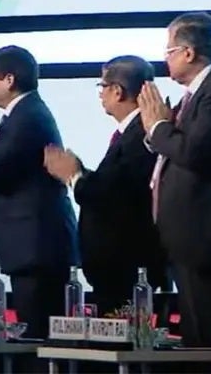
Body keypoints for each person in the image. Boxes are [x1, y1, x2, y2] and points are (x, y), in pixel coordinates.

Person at [137, 11, 211, 348]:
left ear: (188, 52)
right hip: (186, 236)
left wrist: (158, 127)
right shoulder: (197, 92)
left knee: (208, 337)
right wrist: (157, 130)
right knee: (193, 336)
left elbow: (193, 152)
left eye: (169, 51)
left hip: (205, 234)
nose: (165, 59)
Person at [0, 45, 79, 340]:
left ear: (9, 79)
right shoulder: (23, 114)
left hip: (37, 251)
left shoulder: (27, 117)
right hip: (33, 250)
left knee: (38, 339)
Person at [44, 56, 167, 315]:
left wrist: (74, 176)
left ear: (117, 91)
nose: (100, 94)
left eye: (102, 86)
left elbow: (117, 196)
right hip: (115, 267)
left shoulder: (142, 133)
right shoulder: (132, 132)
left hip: (126, 264)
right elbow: (114, 182)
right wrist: (80, 172)